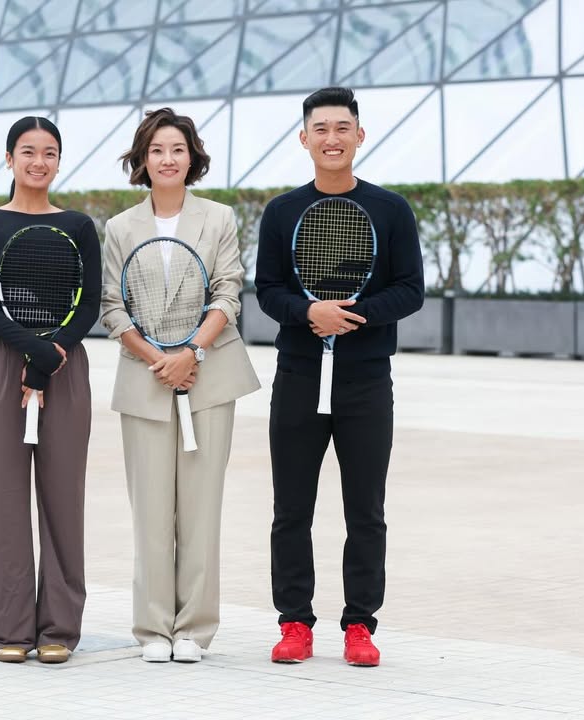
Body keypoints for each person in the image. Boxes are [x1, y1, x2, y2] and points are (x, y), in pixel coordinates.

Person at [256, 87, 424, 667]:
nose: (332, 138)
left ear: (359, 135)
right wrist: (309, 313)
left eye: (342, 127)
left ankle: (359, 626)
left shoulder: (391, 209)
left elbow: (410, 289)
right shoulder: (282, 211)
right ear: (304, 138)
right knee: (291, 509)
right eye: (321, 129)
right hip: (298, 377)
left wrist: (353, 316)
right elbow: (267, 290)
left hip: (366, 381)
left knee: (366, 511)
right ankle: (294, 622)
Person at [100, 108, 260, 663]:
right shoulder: (120, 228)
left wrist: (191, 353)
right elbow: (113, 308)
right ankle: (152, 629)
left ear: (192, 157)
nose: (167, 159)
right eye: (157, 150)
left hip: (209, 378)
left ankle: (193, 629)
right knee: (149, 510)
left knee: (201, 509)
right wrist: (160, 360)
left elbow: (228, 292)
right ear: (142, 160)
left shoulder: (218, 218)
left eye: (177, 149)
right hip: (145, 380)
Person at [0, 116, 101, 664]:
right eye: (28, 151)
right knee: (1, 499)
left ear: (59, 161)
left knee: (63, 499)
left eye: (49, 153)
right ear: (9, 158)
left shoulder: (79, 226)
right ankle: (9, 629)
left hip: (65, 365)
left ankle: (59, 627)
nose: (38, 162)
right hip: (4, 365)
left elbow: (87, 304)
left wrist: (50, 355)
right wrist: (32, 352)